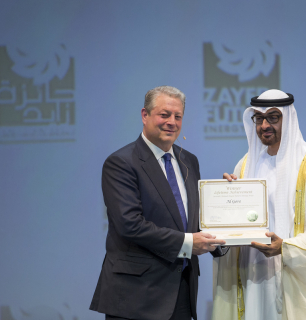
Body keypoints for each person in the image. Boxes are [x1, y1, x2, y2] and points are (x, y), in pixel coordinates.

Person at [90, 86, 226, 320]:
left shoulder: (188, 160)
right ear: (145, 115)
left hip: (182, 293)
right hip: (136, 298)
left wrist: (230, 207)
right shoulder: (121, 163)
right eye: (164, 114)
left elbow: (194, 220)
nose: (171, 122)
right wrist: (188, 242)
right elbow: (129, 224)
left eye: (178, 116)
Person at [211, 89, 306, 320]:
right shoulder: (244, 166)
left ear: (288, 119)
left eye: (273, 117)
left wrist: (286, 247)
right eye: (259, 118)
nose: (264, 125)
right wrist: (226, 200)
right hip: (252, 277)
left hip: (292, 279)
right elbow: (233, 229)